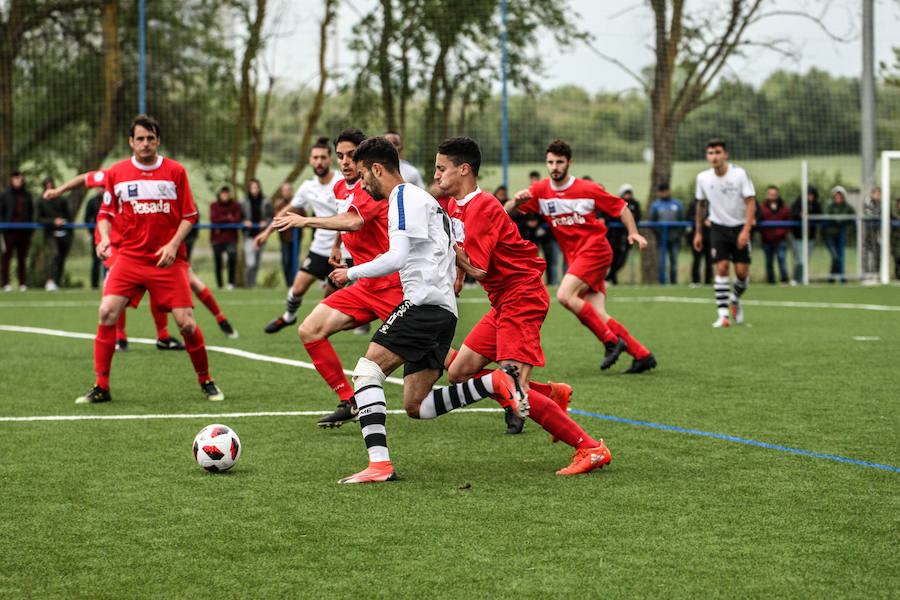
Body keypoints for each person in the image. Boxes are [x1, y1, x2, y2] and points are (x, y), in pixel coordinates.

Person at [325, 136, 524, 484]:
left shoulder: (402, 197)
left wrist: (350, 272)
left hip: (422, 304)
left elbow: (397, 257)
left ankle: (379, 465)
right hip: (442, 309)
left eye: (362, 175)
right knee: (417, 405)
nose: (361, 184)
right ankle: (494, 382)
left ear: (376, 169)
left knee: (366, 373)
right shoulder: (423, 199)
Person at [437, 136, 613, 473]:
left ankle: (590, 448)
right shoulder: (455, 204)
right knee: (460, 372)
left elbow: (480, 267)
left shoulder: (483, 205)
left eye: (441, 169)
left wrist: (454, 261)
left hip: (523, 295)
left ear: (463, 169)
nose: (437, 176)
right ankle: (551, 393)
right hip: (502, 301)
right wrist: (456, 274)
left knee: (514, 391)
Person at [74, 114, 224, 404]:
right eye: (139, 139)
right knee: (106, 313)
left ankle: (206, 380)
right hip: (129, 259)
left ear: (158, 140)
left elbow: (190, 215)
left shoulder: (175, 171)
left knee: (187, 325)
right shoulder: (117, 172)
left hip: (168, 261)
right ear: (131, 142)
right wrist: (105, 238)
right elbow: (104, 214)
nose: (145, 144)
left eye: (150, 139)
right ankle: (101, 387)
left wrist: (172, 245)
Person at [271, 128, 406, 427]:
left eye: (352, 155)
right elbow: (346, 222)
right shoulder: (340, 189)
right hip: (364, 285)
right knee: (310, 330)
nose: (345, 162)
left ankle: (506, 391)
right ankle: (350, 400)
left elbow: (355, 220)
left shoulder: (372, 188)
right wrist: (337, 245)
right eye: (340, 156)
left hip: (393, 287)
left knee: (449, 363)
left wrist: (304, 219)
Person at [507, 139, 656, 374]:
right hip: (576, 258)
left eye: (559, 162)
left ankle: (611, 341)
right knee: (598, 313)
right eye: (550, 162)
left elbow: (621, 208)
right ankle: (642, 355)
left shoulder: (587, 189)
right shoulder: (540, 191)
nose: (554, 166)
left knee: (565, 295)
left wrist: (633, 233)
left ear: (569, 163)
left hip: (596, 250)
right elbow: (505, 212)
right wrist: (516, 202)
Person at [45, 170, 239, 343]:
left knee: (192, 282)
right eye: (140, 140)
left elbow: (182, 211)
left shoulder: (163, 177)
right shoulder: (117, 173)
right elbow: (86, 178)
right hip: (114, 242)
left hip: (148, 243)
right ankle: (120, 338)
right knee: (113, 285)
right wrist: (59, 190)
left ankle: (216, 321)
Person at [257, 137, 343, 334]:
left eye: (323, 157)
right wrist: (267, 231)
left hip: (343, 250)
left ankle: (321, 330)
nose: (319, 161)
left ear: (330, 160)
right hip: (319, 247)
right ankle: (289, 317)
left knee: (328, 298)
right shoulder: (307, 186)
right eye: (315, 158)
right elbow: (288, 210)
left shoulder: (341, 182)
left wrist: (339, 244)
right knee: (297, 289)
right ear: (310, 161)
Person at [693, 138, 756, 327]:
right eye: (711, 153)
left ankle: (734, 298)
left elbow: (751, 201)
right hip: (718, 227)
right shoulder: (702, 178)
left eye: (718, 152)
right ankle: (723, 316)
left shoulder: (739, 175)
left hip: (739, 227)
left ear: (725, 155)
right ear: (707, 156)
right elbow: (701, 204)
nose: (714, 157)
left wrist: (746, 230)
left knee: (742, 273)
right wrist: (698, 232)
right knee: (721, 268)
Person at [37, 176, 74, 290]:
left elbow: (68, 215)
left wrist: (64, 222)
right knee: (55, 254)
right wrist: (53, 222)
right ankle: (51, 280)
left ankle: (57, 282)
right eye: (47, 184)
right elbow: (38, 218)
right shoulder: (40, 201)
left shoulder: (61, 200)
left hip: (63, 232)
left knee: (61, 257)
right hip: (50, 232)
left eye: (51, 184)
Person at [0, 171, 35, 291]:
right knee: (6, 258)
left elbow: (31, 213)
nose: (18, 181)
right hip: (9, 232)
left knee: (22, 258)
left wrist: (30, 230)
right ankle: (6, 283)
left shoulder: (27, 195)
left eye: (20, 179)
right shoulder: (5, 195)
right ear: (11, 180)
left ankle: (22, 283)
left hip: (24, 231)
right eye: (16, 179)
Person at [606, 184, 643, 285]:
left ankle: (608, 279)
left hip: (626, 236)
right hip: (615, 237)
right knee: (612, 260)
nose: (627, 195)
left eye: (629, 193)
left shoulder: (635, 204)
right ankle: (612, 280)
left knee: (621, 261)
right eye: (626, 193)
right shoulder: (617, 202)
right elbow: (612, 216)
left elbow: (637, 216)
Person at [240, 178, 273, 288]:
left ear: (259, 188)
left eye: (256, 187)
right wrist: (244, 222)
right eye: (252, 187)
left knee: (257, 263)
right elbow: (239, 217)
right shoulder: (243, 202)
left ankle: (252, 285)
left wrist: (266, 222)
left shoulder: (265, 201)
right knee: (251, 263)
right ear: (249, 189)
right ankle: (247, 284)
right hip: (249, 236)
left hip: (261, 235)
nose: (255, 189)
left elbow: (271, 216)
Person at [649, 182, 684, 284]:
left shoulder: (677, 204)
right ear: (659, 193)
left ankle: (674, 282)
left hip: (674, 239)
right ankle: (662, 283)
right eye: (662, 191)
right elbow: (653, 222)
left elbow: (682, 220)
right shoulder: (656, 205)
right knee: (661, 263)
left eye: (666, 191)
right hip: (661, 239)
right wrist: (659, 235)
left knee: (674, 263)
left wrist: (678, 235)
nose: (664, 193)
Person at [209, 185, 242, 290]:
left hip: (231, 238)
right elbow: (214, 219)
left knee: (232, 260)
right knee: (218, 261)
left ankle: (230, 284)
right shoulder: (214, 205)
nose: (225, 196)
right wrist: (229, 217)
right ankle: (220, 285)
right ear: (220, 195)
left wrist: (223, 218)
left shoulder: (235, 205)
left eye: (227, 194)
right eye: (223, 194)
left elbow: (237, 219)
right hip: (217, 238)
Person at [757, 185, 791, 284]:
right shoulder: (762, 208)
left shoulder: (784, 208)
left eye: (774, 194)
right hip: (767, 240)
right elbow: (759, 222)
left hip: (781, 239)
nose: (772, 196)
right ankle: (771, 281)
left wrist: (780, 233)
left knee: (782, 259)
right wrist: (766, 234)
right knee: (769, 262)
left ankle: (784, 279)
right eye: (770, 194)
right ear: (767, 195)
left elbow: (788, 222)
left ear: (778, 195)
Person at [789, 184, 821, 285]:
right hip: (798, 236)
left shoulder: (815, 204)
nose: (810, 197)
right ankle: (796, 278)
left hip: (810, 237)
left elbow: (819, 215)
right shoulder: (798, 203)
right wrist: (800, 215)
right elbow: (793, 214)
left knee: (805, 260)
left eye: (812, 195)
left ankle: (802, 279)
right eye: (808, 195)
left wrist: (810, 215)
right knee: (800, 260)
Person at [822, 185, 854, 284]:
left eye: (840, 196)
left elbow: (852, 215)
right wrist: (841, 220)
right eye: (836, 196)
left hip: (840, 235)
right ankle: (833, 277)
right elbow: (827, 216)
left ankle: (838, 278)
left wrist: (839, 220)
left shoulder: (847, 206)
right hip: (829, 235)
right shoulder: (829, 205)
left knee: (839, 257)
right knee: (835, 256)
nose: (838, 198)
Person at [271, 181, 297, 287]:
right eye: (284, 190)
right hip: (284, 237)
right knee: (286, 261)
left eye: (288, 190)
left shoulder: (297, 202)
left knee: (294, 261)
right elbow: (276, 219)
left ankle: (295, 283)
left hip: (296, 238)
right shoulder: (278, 204)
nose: (286, 192)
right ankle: (288, 284)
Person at [685, 196, 712, 286]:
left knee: (709, 260)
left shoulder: (711, 202)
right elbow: (689, 217)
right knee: (696, 259)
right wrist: (703, 221)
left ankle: (708, 281)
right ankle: (696, 280)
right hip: (697, 236)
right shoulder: (694, 203)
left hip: (709, 237)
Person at [83, 188, 104, 289]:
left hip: (111, 236)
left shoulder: (110, 200)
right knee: (96, 260)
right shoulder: (92, 201)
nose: (100, 189)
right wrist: (93, 232)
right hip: (96, 236)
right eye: (98, 187)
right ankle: (94, 285)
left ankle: (109, 283)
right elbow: (87, 218)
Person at [862, 186, 881, 274]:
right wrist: (878, 216)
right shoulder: (868, 200)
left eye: (879, 193)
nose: (878, 195)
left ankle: (876, 273)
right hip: (868, 231)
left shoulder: (882, 203)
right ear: (872, 194)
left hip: (877, 232)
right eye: (876, 193)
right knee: (866, 253)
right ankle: (865, 273)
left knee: (877, 253)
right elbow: (868, 213)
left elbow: (884, 213)